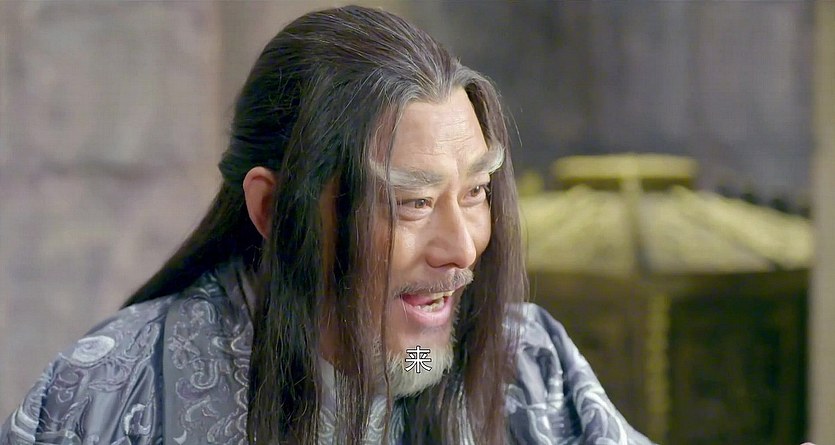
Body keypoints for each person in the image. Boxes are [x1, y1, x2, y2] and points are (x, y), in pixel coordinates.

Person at [0, 6, 653, 445]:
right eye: (412, 203)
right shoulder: (113, 390)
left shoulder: (528, 364)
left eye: (476, 192)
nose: (461, 248)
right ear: (272, 209)